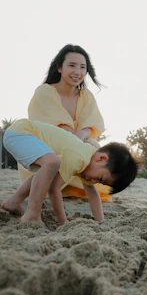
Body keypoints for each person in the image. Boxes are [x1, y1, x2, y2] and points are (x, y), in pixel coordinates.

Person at [19, 44, 112, 202]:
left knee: (95, 150)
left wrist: (82, 136)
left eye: (83, 67)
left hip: (78, 144)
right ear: (59, 67)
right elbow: (55, 127)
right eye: (72, 65)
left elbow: (91, 126)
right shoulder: (44, 91)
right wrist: (78, 141)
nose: (78, 72)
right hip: (50, 146)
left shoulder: (86, 96)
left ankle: (77, 185)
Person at [2, 119, 138, 227]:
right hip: (21, 132)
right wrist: (63, 222)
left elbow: (92, 195)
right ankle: (32, 215)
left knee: (47, 172)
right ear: (101, 159)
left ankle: (13, 202)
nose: (95, 181)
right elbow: (54, 189)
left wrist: (101, 222)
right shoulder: (80, 156)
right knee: (52, 163)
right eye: (101, 178)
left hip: (21, 134)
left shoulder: (88, 163)